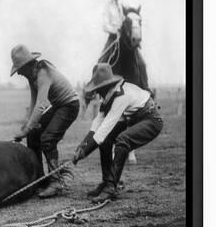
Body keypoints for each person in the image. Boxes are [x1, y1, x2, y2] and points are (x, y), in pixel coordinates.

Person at [72, 63, 163, 203]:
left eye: (99, 88)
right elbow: (97, 123)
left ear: (107, 85)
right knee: (106, 141)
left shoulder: (121, 96)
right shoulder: (108, 95)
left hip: (151, 120)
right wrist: (82, 146)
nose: (97, 93)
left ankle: (111, 187)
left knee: (122, 140)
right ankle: (106, 181)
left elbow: (104, 129)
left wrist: (85, 152)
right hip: (134, 119)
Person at [10, 44, 80, 198]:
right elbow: (33, 102)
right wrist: (26, 126)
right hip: (58, 106)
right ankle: (39, 179)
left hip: (69, 105)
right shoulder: (32, 76)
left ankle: (56, 182)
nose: (19, 73)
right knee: (33, 135)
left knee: (47, 139)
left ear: (27, 65)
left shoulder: (43, 73)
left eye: (20, 69)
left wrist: (26, 128)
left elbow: (42, 104)